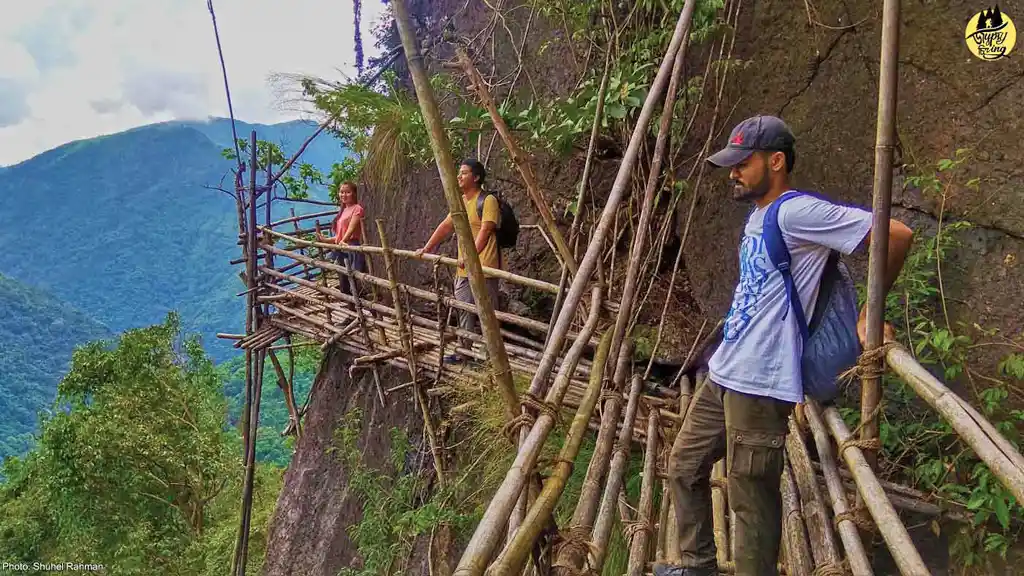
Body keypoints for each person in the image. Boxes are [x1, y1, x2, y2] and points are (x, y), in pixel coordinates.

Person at [655, 115, 913, 576]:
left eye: (742, 163)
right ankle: (697, 567)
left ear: (776, 161)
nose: (733, 172)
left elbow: (896, 234)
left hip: (761, 381)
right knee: (683, 465)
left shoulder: (798, 212)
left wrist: (868, 313)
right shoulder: (759, 217)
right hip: (727, 371)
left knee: (750, 496)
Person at [415, 159, 502, 364]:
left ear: (477, 177)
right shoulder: (461, 202)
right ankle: (464, 352)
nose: (459, 176)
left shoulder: (488, 200)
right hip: (464, 268)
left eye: (464, 173)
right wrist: (427, 248)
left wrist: (471, 257)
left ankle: (492, 355)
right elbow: (446, 226)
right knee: (463, 309)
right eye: (459, 173)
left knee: (487, 312)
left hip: (485, 267)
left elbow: (486, 230)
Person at [316, 181, 367, 299]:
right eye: (342, 192)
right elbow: (340, 236)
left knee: (353, 283)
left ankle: (364, 312)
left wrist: (343, 241)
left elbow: (351, 229)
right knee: (343, 284)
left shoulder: (357, 209)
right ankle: (352, 312)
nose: (344, 195)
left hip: (351, 247)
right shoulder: (343, 210)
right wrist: (326, 240)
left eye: (347, 192)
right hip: (341, 249)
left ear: (354, 193)